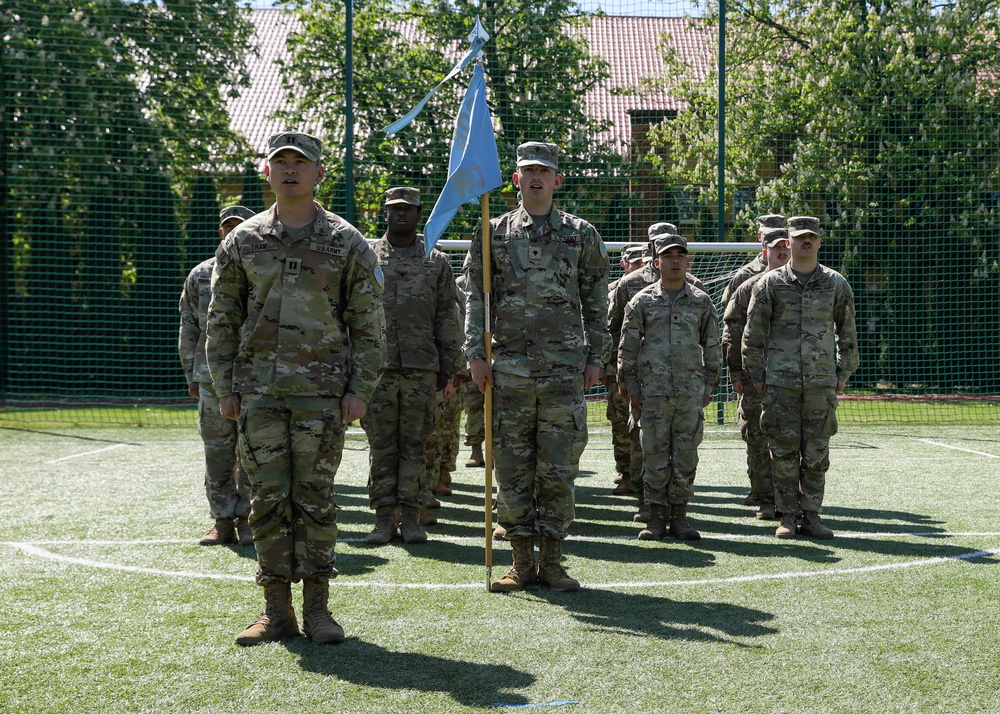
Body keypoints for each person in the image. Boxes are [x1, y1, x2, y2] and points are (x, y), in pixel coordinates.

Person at [206, 131, 386, 646]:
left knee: (315, 499)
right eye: (280, 162)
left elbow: (369, 323)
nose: (289, 170)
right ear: (267, 172)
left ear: (318, 174)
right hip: (258, 393)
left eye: (300, 163)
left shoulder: (346, 241)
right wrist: (225, 385)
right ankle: (276, 611)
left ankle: (319, 611)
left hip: (322, 394)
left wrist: (360, 389)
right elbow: (221, 318)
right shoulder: (242, 241)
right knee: (266, 499)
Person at [465, 141, 608, 593]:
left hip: (564, 371)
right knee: (510, 466)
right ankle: (520, 561)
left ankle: (553, 561)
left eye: (544, 171)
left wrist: (596, 356)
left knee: (559, 467)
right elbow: (475, 296)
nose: (536, 178)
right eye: (528, 171)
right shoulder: (494, 231)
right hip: (508, 370)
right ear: (515, 180)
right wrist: (475, 353)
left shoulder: (581, 234)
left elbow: (596, 300)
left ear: (557, 180)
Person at [742, 216, 859, 539]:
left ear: (819, 242)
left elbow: (847, 333)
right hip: (780, 383)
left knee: (817, 454)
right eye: (800, 237)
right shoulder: (769, 283)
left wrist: (842, 373)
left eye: (812, 237)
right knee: (782, 452)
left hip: (821, 383)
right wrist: (757, 376)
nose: (806, 241)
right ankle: (788, 516)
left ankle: (812, 516)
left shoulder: (835, 283)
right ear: (788, 242)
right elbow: (753, 334)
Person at [361, 186, 461, 545]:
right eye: (394, 209)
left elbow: (447, 317)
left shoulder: (436, 260)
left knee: (417, 445)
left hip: (422, 369)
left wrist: (450, 368)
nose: (401, 214)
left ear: (419, 214)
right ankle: (384, 518)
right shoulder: (367, 257)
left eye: (408, 209)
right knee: (382, 446)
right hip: (378, 370)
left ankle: (413, 517)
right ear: (384, 213)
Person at [617, 228, 721, 541]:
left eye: (680, 256)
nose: (675, 261)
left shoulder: (701, 302)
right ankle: (654, 517)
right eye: (668, 256)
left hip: (689, 393)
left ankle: (680, 518)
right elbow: (628, 347)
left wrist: (709, 387)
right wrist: (632, 388)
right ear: (656, 261)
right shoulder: (641, 301)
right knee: (653, 456)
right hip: (651, 393)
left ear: (687, 262)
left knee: (686, 455)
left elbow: (712, 345)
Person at [179, 205, 256, 547]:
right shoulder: (199, 275)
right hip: (212, 377)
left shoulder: (263, 270)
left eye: (240, 227)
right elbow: (189, 326)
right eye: (228, 227)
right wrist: (191, 374)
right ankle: (222, 520)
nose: (232, 232)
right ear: (220, 231)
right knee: (218, 451)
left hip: (256, 377)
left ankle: (251, 520)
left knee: (254, 450)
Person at [721, 228, 790, 520]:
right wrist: (736, 372)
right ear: (765, 252)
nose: (782, 251)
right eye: (776, 248)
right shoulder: (749, 286)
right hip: (754, 378)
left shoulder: (802, 285)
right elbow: (732, 331)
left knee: (790, 438)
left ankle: (790, 498)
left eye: (787, 246)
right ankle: (763, 496)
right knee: (756, 437)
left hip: (790, 377)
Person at [604, 244, 646, 495]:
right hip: (620, 367)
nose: (639, 265)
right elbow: (609, 329)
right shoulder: (614, 290)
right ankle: (626, 471)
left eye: (642, 261)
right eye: (634, 262)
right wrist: (609, 369)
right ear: (624, 264)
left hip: (648, 369)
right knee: (620, 422)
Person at [720, 214, 785, 307]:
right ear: (759, 236)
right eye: (768, 234)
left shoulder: (794, 271)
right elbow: (730, 309)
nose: (773, 239)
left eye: (777, 234)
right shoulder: (745, 274)